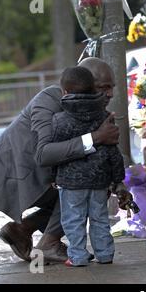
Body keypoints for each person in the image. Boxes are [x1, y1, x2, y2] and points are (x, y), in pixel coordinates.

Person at [0, 58, 128, 263]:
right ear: (84, 84)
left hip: (43, 173)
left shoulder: (95, 109)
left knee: (92, 178)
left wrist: (119, 182)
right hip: (12, 174)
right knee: (89, 182)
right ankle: (49, 244)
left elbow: (102, 152)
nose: (111, 94)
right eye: (103, 87)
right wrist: (97, 137)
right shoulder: (50, 99)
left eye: (111, 87)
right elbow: (44, 154)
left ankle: (21, 230)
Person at [52, 66, 129, 267]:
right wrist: (118, 180)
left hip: (70, 183)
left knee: (73, 221)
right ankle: (105, 254)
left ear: (65, 92)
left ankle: (77, 256)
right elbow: (114, 152)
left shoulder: (59, 120)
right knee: (100, 219)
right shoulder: (104, 117)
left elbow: (57, 153)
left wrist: (54, 177)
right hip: (99, 181)